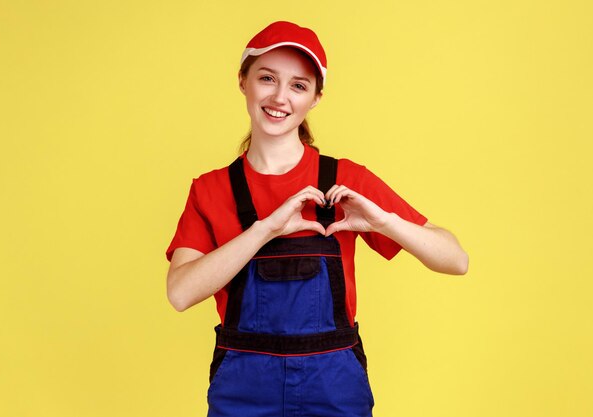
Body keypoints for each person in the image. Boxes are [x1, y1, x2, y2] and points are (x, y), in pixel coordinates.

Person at [165, 21, 468, 417]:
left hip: (334, 390)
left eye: (298, 85)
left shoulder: (345, 180)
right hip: (244, 394)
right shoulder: (211, 189)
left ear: (316, 97)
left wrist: (384, 222)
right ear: (243, 81)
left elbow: (456, 260)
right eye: (267, 78)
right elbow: (180, 293)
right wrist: (265, 229)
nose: (279, 97)